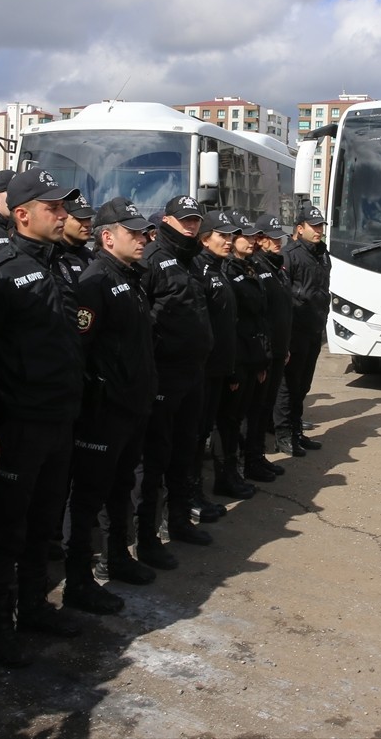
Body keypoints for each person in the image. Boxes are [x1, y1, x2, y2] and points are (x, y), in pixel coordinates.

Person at [0, 167, 84, 669]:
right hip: (19, 425)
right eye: (53, 208)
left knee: (43, 522)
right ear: (22, 215)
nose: (62, 216)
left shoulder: (61, 264)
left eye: (64, 208)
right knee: (8, 531)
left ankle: (34, 605)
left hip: (60, 418)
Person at [63, 197, 159, 615]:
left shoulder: (130, 276)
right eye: (132, 233)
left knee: (122, 489)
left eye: (142, 232)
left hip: (131, 406)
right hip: (104, 413)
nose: (142, 239)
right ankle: (79, 579)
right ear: (108, 237)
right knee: (87, 499)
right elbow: (79, 351)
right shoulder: (95, 281)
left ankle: (119, 556)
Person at [138, 194, 215, 568]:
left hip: (193, 374)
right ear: (166, 221)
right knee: (156, 459)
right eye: (184, 220)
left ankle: (179, 519)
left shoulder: (194, 260)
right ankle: (146, 536)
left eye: (195, 220)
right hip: (164, 377)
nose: (190, 225)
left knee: (187, 452)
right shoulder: (151, 259)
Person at [195, 211, 251, 503]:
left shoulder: (221, 269)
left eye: (231, 236)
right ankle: (193, 494)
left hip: (225, 366)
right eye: (222, 235)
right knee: (199, 434)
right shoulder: (201, 271)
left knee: (224, 424)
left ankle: (226, 478)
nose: (228, 241)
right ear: (205, 239)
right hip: (206, 369)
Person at [218, 212, 274, 484]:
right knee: (230, 420)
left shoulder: (249, 267)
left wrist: (262, 359)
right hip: (238, 358)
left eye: (254, 236)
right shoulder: (227, 270)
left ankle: (249, 462)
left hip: (253, 355)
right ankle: (228, 472)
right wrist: (236, 366)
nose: (252, 240)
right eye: (246, 236)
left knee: (250, 413)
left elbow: (260, 317)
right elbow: (232, 323)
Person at [274, 205, 330, 457]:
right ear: (300, 228)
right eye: (314, 226)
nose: (319, 231)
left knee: (303, 386)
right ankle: (283, 435)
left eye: (320, 226)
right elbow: (285, 296)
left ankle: (296, 431)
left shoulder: (321, 253)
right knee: (289, 386)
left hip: (314, 328)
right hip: (295, 330)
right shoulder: (290, 254)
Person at [251, 214, 292, 476]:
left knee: (265, 408)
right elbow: (260, 314)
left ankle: (258, 456)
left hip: (278, 348)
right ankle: (250, 460)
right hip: (263, 350)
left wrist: (284, 346)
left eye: (280, 238)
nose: (278, 242)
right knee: (256, 410)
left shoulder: (277, 266)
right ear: (261, 240)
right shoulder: (256, 266)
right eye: (272, 238)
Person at [59, 193, 96, 284]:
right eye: (80, 219)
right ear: (62, 218)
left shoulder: (90, 255)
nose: (87, 224)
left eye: (89, 218)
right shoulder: (53, 257)